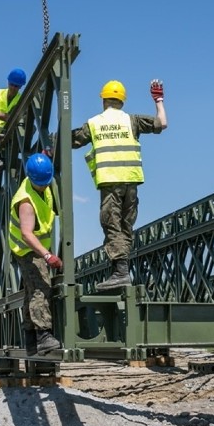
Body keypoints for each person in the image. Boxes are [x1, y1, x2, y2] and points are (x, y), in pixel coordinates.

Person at [71, 79, 167, 290]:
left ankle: (120, 273)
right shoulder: (132, 120)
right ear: (122, 101)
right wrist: (158, 99)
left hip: (110, 181)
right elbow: (163, 123)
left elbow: (73, 140)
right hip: (131, 181)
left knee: (111, 224)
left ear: (104, 100)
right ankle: (122, 271)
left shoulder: (95, 123)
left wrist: (51, 142)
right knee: (125, 226)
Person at [9, 153, 63, 355]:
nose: (43, 186)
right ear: (31, 179)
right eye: (40, 184)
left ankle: (30, 339)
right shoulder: (25, 201)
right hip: (27, 249)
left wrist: (48, 153)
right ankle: (43, 336)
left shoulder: (42, 177)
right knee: (41, 287)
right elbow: (26, 234)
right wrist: (48, 255)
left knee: (31, 290)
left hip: (37, 247)